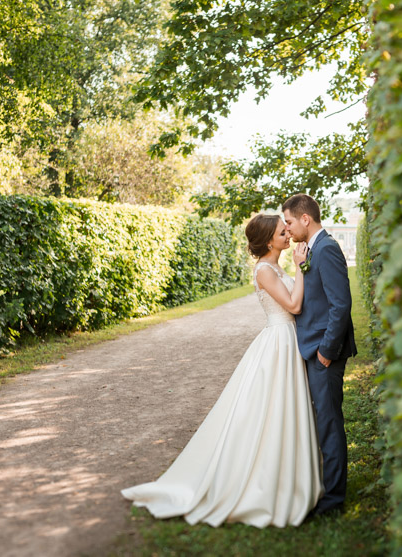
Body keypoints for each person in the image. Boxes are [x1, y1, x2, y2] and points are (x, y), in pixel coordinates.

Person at [121, 214, 323, 528]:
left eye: (287, 230)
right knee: (269, 408)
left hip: (288, 341)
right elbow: (294, 307)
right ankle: (261, 484)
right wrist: (301, 267)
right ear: (268, 241)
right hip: (278, 342)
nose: (288, 234)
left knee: (283, 408)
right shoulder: (265, 271)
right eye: (282, 232)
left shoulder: (276, 267)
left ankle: (288, 475)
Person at [282, 193, 357, 516]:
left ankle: (333, 501)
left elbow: (341, 304)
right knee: (322, 421)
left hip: (324, 353)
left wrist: (326, 351)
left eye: (288, 222)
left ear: (305, 219)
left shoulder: (326, 249)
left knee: (328, 423)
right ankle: (326, 489)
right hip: (314, 348)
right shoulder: (313, 250)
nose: (287, 229)